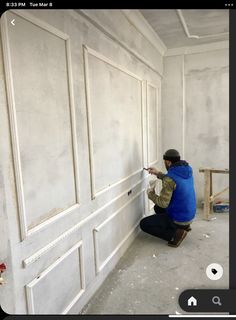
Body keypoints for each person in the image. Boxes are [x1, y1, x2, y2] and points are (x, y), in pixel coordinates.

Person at [140, 149, 196, 247]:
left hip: (180, 218)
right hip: (189, 214)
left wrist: (150, 194)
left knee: (144, 224)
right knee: (157, 208)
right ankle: (185, 227)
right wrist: (158, 173)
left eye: (165, 162)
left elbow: (163, 203)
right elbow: (173, 180)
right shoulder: (187, 170)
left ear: (168, 162)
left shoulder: (169, 179)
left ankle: (174, 235)